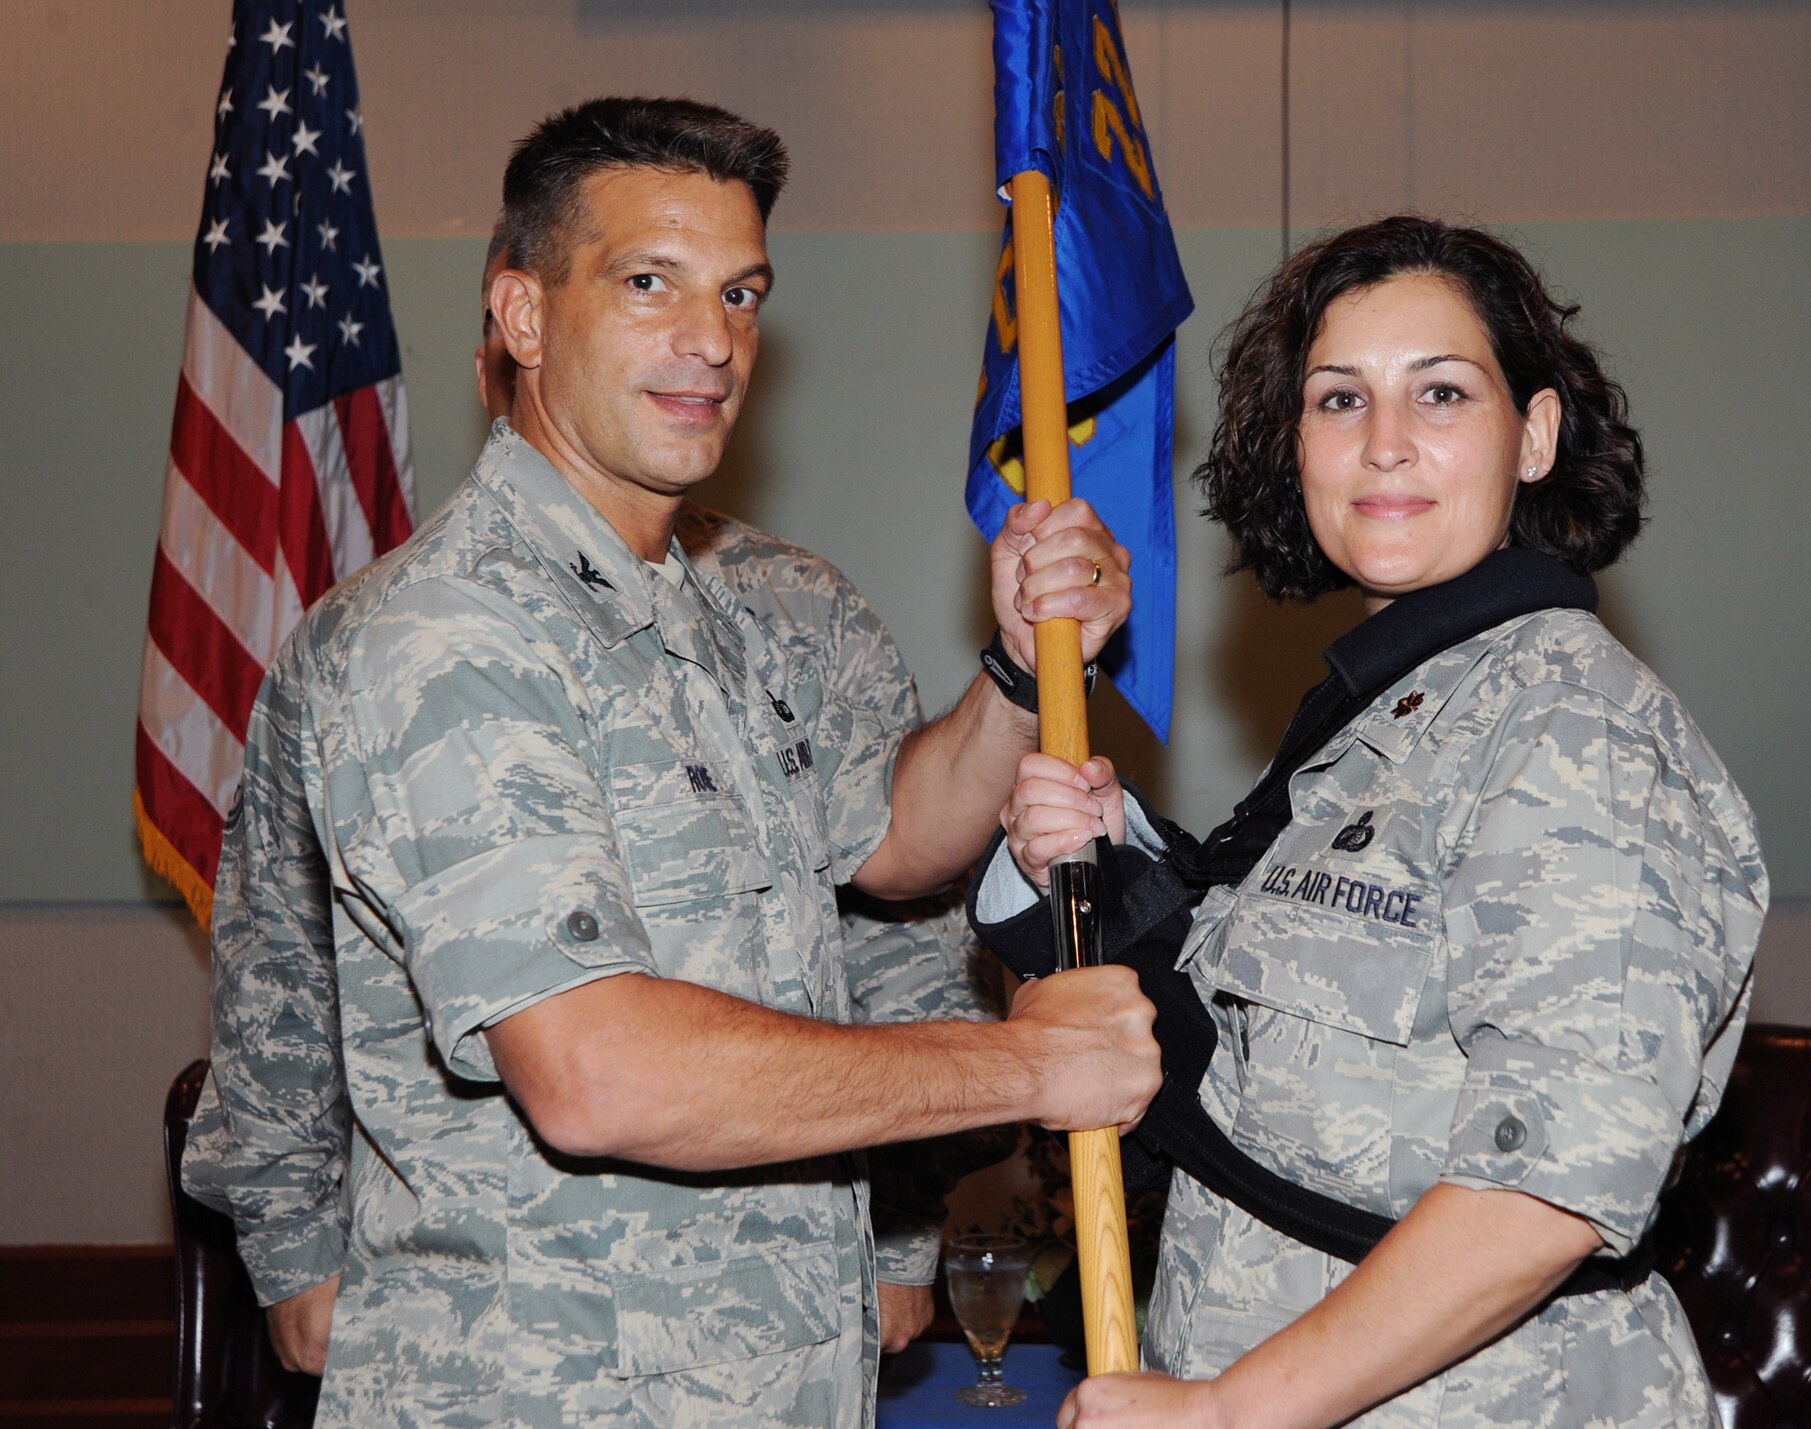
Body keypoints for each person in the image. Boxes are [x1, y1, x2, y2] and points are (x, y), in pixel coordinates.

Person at [184, 97, 1159, 1428]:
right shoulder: (450, 635)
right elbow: (596, 1073)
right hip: (555, 1391)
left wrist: (1011, 667)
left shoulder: (712, 609)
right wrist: (1029, 1067)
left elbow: (890, 843)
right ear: (524, 317)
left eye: (742, 293)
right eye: (651, 285)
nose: (712, 342)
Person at [980, 215, 1767, 1427]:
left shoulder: (1569, 728)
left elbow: (1548, 1188)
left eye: (1440, 394)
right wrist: (1108, 864)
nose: (1384, 445)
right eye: (1338, 400)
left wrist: (1230, 1410)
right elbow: (1254, 1086)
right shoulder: (1393, 714)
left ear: (1535, 434)